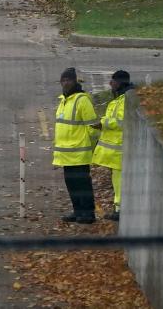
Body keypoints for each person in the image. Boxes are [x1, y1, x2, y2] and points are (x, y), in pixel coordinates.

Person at [54, 67, 98, 224]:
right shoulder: (64, 101)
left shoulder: (82, 100)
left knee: (82, 184)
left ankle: (88, 213)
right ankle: (78, 211)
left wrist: (91, 147)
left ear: (75, 81)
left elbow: (93, 127)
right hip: (67, 154)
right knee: (72, 184)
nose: (65, 83)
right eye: (63, 80)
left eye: (68, 80)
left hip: (79, 153)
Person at [92, 70, 132, 221]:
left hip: (119, 149)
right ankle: (117, 208)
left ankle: (120, 210)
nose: (110, 83)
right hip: (117, 150)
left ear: (120, 82)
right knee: (117, 181)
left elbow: (120, 121)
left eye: (113, 81)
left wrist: (102, 123)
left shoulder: (125, 100)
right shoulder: (120, 98)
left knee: (119, 181)